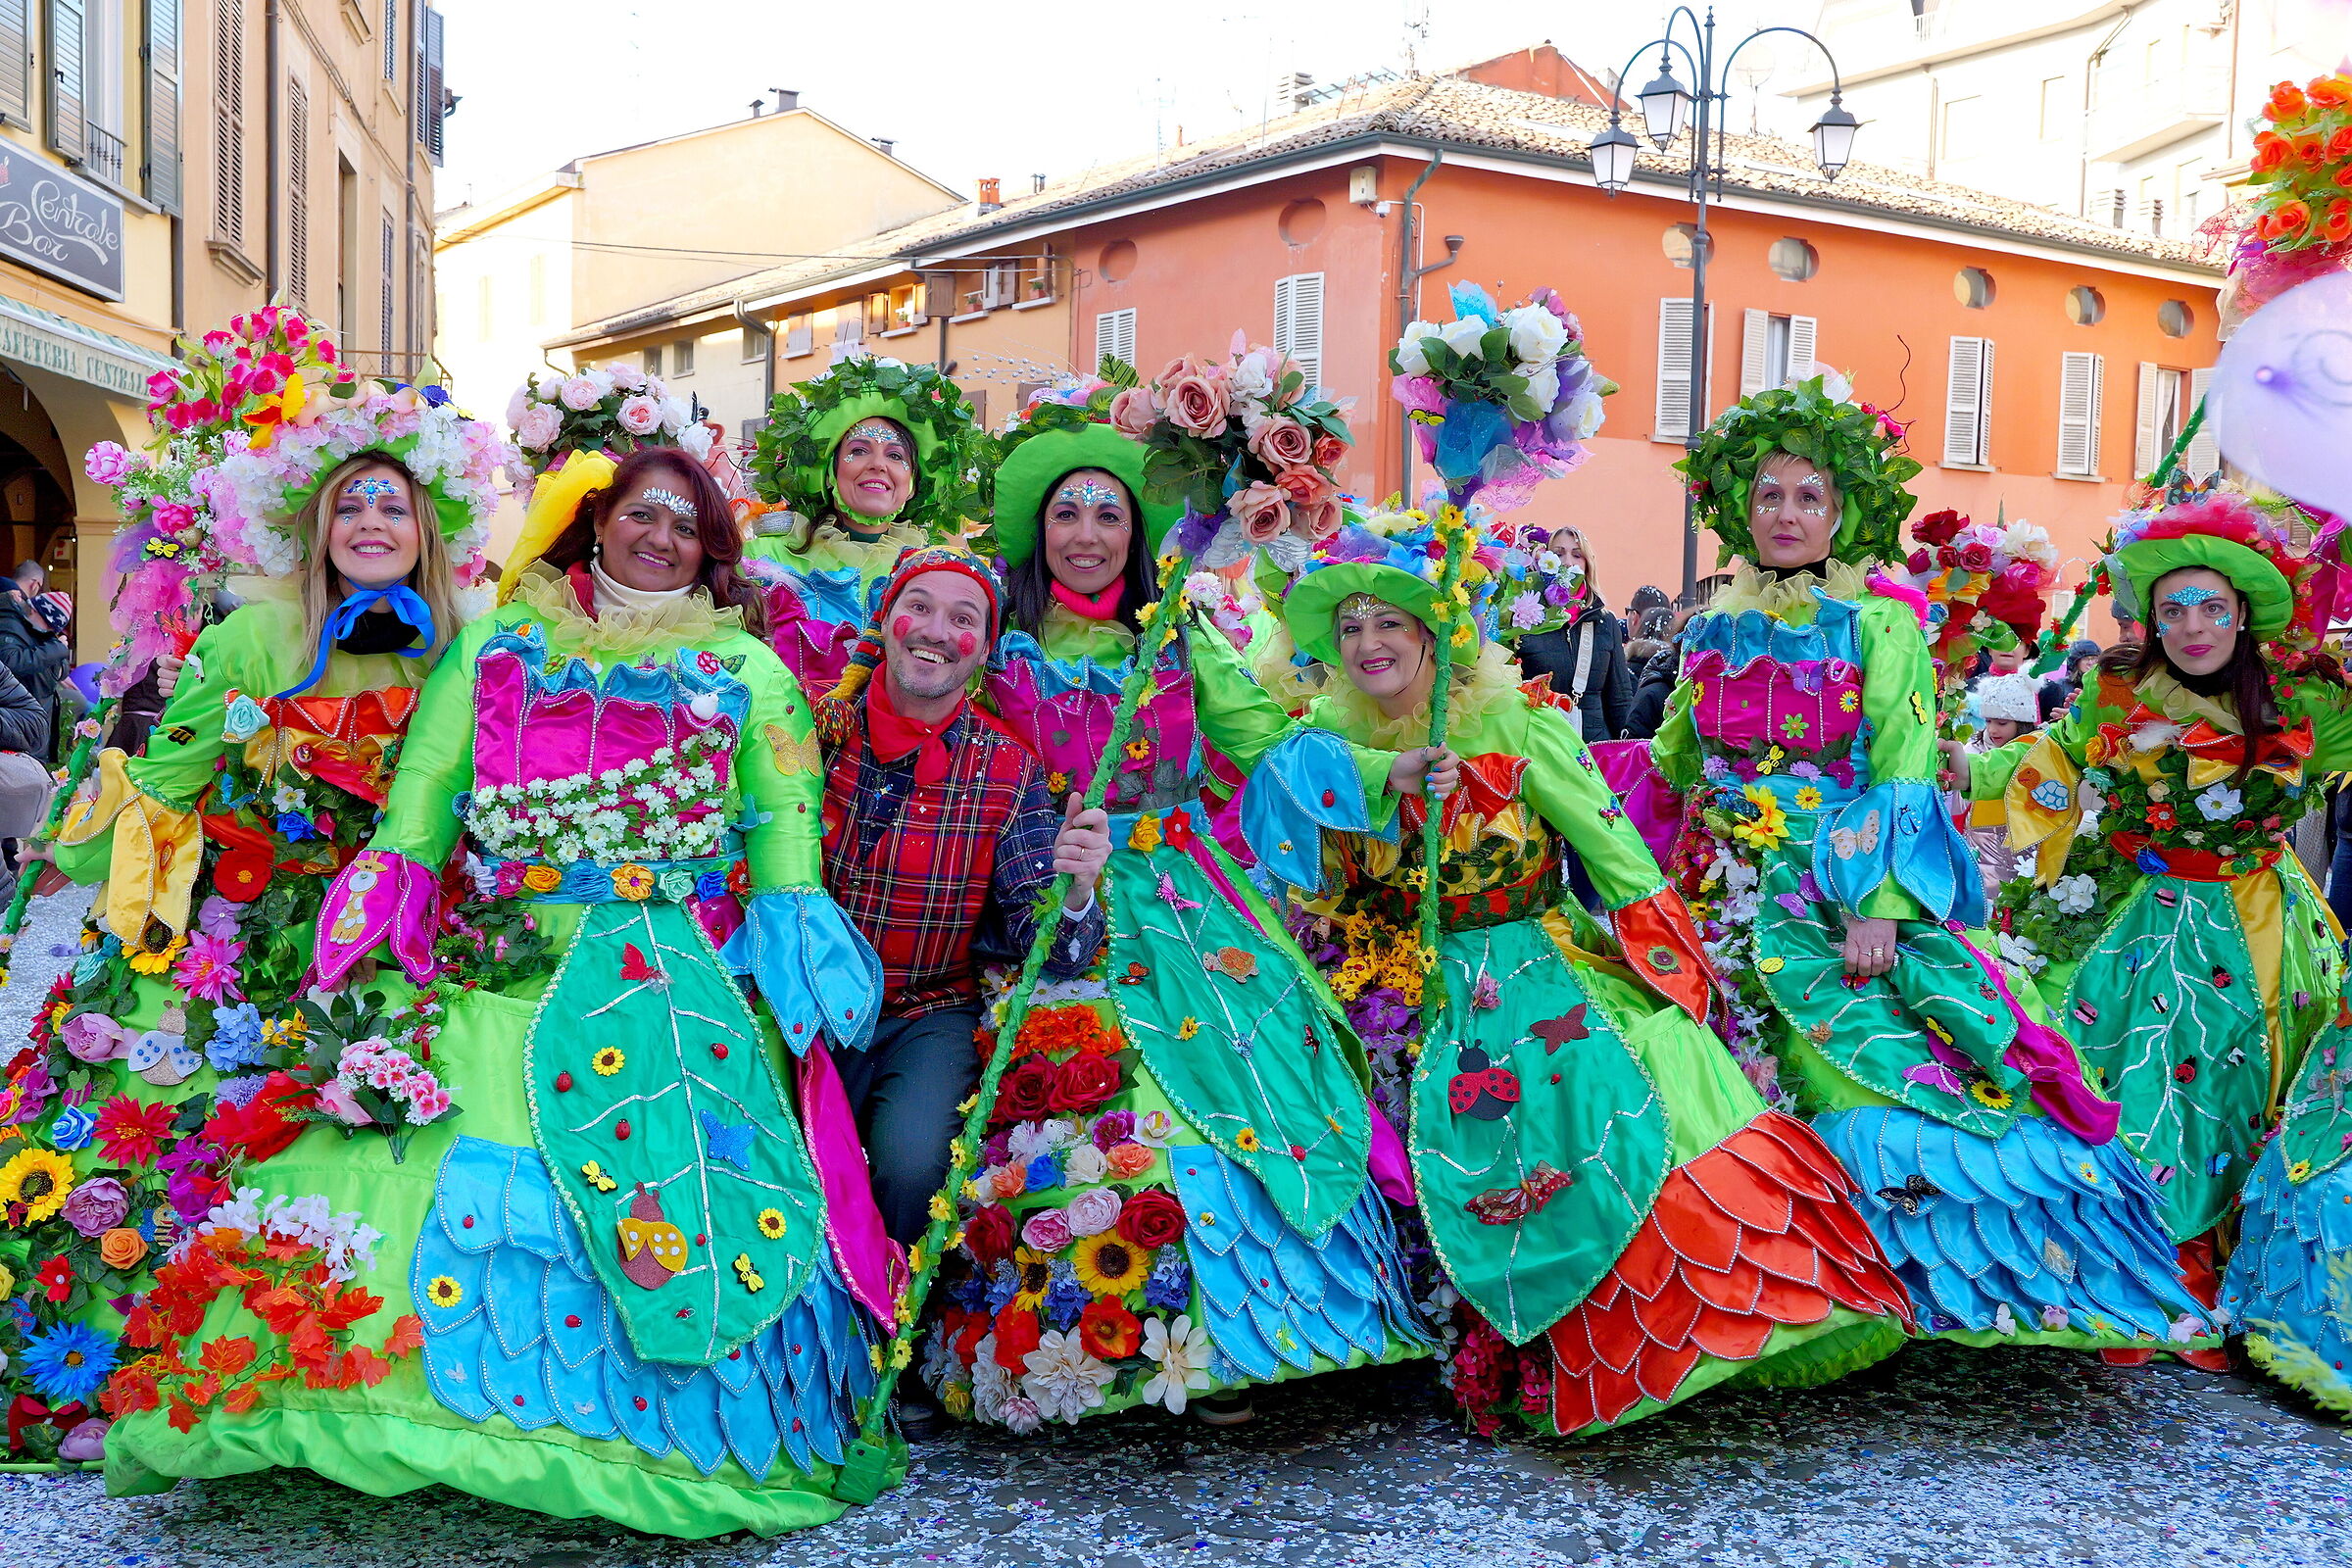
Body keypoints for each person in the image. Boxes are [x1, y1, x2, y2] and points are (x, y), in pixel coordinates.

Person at [98, 444, 899, 1536]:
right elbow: (423, 798)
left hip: (674, 985)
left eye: (685, 525)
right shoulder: (497, 646)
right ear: (596, 523)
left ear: (710, 551)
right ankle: (352, 1399)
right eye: (640, 515)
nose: (658, 538)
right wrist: (388, 898)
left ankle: (639, 1431)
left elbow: (784, 825)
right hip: (497, 958)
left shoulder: (748, 674)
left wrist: (801, 936)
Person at [1247, 505, 1912, 1436]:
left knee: (1601, 1097)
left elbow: (1615, 853)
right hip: (1390, 982)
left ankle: (1676, 1312)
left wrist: (1677, 974)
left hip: (1530, 961)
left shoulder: (1520, 722)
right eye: (1349, 627)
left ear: (1436, 633)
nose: (1367, 643)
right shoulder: (1317, 737)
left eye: (1390, 621)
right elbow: (1285, 844)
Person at [1634, 377, 2213, 1358]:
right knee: (1723, 1084)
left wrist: (1880, 908)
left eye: (1808, 495)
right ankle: (1753, 1291)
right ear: (1740, 506)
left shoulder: (1879, 625)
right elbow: (1675, 758)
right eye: (1768, 494)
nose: (1785, 513)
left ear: (1843, 509)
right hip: (1715, 889)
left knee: (1864, 1078)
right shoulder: (1711, 626)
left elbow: (1901, 771)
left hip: (1832, 898)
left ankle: (1906, 1276)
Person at [2, 364, 504, 1464]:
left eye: (392, 504)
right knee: (167, 1128)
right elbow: (168, 777)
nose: (372, 521)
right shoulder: (243, 642)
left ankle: (321, 1373)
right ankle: (131, 1369)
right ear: (314, 529)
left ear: (426, 527)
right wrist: (66, 856)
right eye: (351, 505)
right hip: (239, 929)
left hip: (387, 938)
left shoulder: (466, 654)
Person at [916, 381, 1432, 1434]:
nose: (1089, 532)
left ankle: (1258, 1338)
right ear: (1039, 531)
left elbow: (1262, 741)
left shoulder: (1179, 633)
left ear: (1141, 530)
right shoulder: (999, 651)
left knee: (1254, 1082)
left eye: (1111, 512)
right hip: (1058, 905)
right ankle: (1114, 1339)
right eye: (1068, 512)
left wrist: (1386, 771)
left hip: (1193, 903)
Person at [1962, 491, 2352, 1334]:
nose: (2194, 625)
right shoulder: (2116, 691)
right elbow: (2050, 763)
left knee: (2239, 1072)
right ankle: (2128, 1250)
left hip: (2259, 922)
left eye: (2213, 606)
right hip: (2137, 918)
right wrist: (1961, 771)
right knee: (2118, 1072)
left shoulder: (2307, 700)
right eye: (2173, 608)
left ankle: (2225, 1249)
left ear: (2244, 614)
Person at [741, 357, 983, 695]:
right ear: (830, 470)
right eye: (859, 450)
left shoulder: (934, 569)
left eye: (896, 456)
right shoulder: (764, 558)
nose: (878, 465)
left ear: (912, 483)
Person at [1509, 525, 1632, 741]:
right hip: (1540, 742)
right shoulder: (1524, 618)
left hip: (1593, 750)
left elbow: (1619, 699)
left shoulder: (1605, 621)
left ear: (1587, 565)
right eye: (1558, 554)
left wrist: (1625, 750)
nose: (1567, 562)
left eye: (1577, 555)